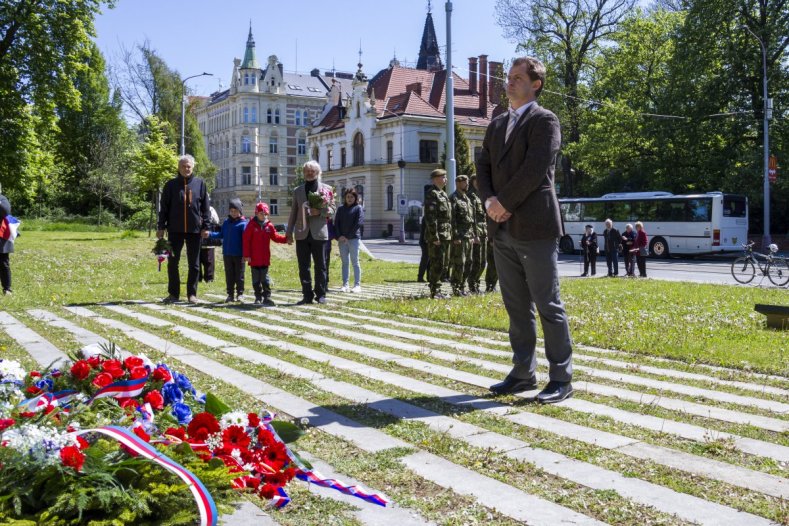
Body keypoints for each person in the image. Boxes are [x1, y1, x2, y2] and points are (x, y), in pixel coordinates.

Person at [476, 56, 573, 404]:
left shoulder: (545, 121)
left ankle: (561, 377)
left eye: (518, 78)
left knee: (548, 303)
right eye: (509, 77)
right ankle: (522, 373)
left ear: (536, 84)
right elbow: (482, 165)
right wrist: (489, 201)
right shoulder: (497, 123)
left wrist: (503, 203)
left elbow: (535, 170)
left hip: (534, 225)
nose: (510, 82)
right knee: (516, 306)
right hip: (500, 228)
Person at [157, 154, 211, 304]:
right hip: (175, 230)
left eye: (188, 166)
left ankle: (192, 294)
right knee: (173, 262)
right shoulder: (170, 185)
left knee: (194, 264)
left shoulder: (200, 184)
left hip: (195, 230)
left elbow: (205, 208)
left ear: (192, 167)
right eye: (183, 166)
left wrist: (206, 226)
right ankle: (173, 294)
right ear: (178, 168)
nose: (186, 169)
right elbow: (164, 209)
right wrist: (161, 226)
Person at [286, 160, 336, 305]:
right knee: (303, 266)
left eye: (312, 171)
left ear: (318, 173)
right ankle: (306, 295)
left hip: (319, 233)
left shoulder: (326, 189)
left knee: (321, 265)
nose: (309, 173)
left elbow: (332, 210)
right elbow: (293, 212)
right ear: (303, 173)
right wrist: (289, 232)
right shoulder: (297, 191)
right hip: (301, 233)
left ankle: (320, 294)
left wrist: (319, 211)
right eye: (306, 171)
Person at [244, 202, 287, 305]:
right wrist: (247, 255)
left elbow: (275, 237)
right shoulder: (251, 225)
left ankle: (267, 297)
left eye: (266, 214)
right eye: (262, 213)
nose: (264, 216)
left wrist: (286, 239)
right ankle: (258, 297)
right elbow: (246, 240)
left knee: (265, 278)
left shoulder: (269, 226)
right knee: (256, 279)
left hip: (264, 258)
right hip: (254, 258)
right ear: (256, 213)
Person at [210, 199, 247, 302]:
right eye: (231, 211)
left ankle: (240, 294)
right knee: (229, 275)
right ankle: (230, 294)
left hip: (239, 255)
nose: (233, 213)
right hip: (227, 254)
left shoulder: (243, 224)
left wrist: (245, 254)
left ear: (240, 211)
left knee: (239, 275)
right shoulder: (226, 223)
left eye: (235, 211)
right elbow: (221, 235)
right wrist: (209, 234)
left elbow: (246, 241)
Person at [424, 169, 452, 299]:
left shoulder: (443, 194)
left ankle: (437, 289)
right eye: (443, 177)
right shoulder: (432, 194)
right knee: (437, 263)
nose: (445, 179)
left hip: (445, 234)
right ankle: (435, 290)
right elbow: (431, 217)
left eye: (445, 177)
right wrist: (434, 236)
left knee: (444, 264)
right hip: (437, 235)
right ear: (435, 179)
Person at [449, 174, 476, 296]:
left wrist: (473, 235)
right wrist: (455, 236)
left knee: (468, 263)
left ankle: (462, 286)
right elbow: (452, 219)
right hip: (459, 236)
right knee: (459, 263)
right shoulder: (453, 198)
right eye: (465, 182)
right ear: (458, 183)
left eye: (468, 182)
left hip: (468, 236)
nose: (468, 184)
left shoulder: (467, 199)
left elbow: (471, 219)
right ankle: (456, 287)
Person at [334, 188, 364, 293]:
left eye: (352, 197)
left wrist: (347, 236)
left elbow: (358, 223)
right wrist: (339, 236)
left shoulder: (358, 208)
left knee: (355, 262)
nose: (349, 199)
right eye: (348, 197)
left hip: (353, 239)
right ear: (345, 198)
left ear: (355, 198)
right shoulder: (341, 209)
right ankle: (345, 285)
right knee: (345, 262)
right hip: (342, 240)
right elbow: (336, 223)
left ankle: (357, 285)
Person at [467, 174, 488, 294]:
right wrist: (474, 235)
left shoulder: (482, 195)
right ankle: (472, 285)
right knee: (476, 261)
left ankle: (476, 284)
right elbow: (472, 218)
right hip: (476, 233)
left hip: (483, 232)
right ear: (473, 182)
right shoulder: (471, 196)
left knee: (482, 262)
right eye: (476, 181)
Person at [0, 192, 19, 295]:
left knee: (3, 263)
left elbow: (5, 211)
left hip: (1, 235)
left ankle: (7, 288)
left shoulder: (2, 199)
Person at [199, 205, 221, 283]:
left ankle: (205, 278)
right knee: (208, 259)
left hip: (206, 237)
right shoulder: (210, 209)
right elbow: (216, 221)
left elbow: (216, 221)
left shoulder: (210, 209)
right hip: (203, 237)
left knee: (207, 259)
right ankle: (208, 278)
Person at [417, 215, 429, 282]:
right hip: (425, 241)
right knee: (425, 259)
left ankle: (428, 277)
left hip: (425, 240)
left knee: (428, 259)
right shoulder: (427, 216)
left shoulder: (426, 216)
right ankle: (420, 277)